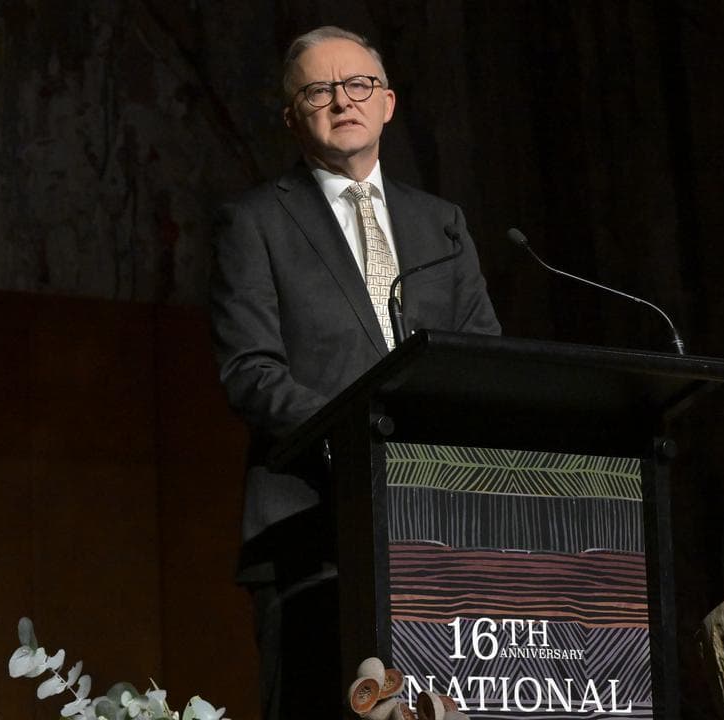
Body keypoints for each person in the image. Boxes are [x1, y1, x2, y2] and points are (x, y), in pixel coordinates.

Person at [208, 25, 501, 719]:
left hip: (438, 534)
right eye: (319, 89)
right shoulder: (252, 223)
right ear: (291, 117)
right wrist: (356, 442)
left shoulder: (442, 225)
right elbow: (250, 370)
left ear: (388, 103)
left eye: (360, 84)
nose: (344, 99)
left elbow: (481, 360)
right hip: (313, 535)